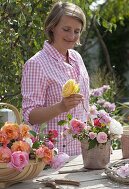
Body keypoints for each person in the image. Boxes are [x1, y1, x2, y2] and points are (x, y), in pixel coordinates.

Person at [21, 1, 90, 156]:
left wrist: (98, 141)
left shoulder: (76, 57)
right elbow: (30, 115)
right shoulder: (36, 64)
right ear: (52, 27)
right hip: (53, 157)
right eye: (66, 29)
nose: (72, 36)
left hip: (82, 154)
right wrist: (61, 107)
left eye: (77, 31)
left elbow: (85, 106)